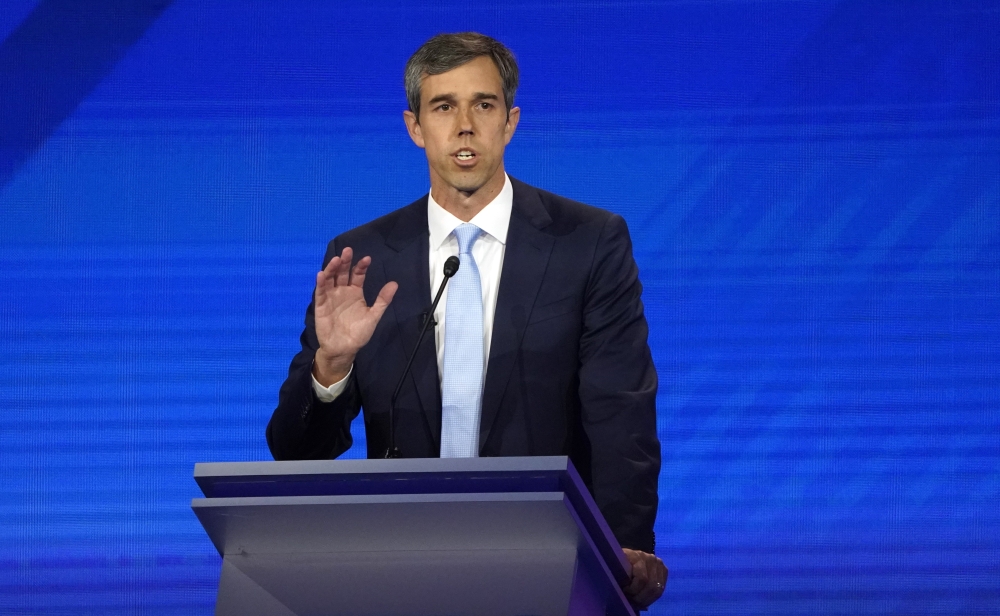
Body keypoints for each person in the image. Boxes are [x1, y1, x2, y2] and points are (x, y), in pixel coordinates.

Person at [266, 32, 667, 609]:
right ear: (415, 127)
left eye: (484, 105)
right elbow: (296, 453)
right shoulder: (363, 258)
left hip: (545, 558)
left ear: (510, 122)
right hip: (399, 566)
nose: (464, 125)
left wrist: (623, 545)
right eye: (443, 106)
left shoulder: (588, 242)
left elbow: (620, 407)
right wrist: (333, 364)